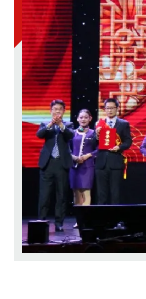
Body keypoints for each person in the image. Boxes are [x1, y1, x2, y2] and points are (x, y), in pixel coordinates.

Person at [37, 99, 74, 232]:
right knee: (44, 195)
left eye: (60, 109)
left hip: (61, 164)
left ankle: (59, 223)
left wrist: (60, 125)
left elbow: (70, 135)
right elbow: (39, 134)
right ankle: (41, 221)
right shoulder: (45, 124)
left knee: (61, 195)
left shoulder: (68, 124)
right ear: (51, 111)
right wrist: (51, 124)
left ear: (64, 111)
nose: (57, 111)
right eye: (55, 109)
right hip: (47, 163)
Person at [95, 98, 132, 205]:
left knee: (115, 194)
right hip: (101, 163)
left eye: (112, 108)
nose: (109, 110)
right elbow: (93, 142)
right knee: (101, 195)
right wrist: (96, 135)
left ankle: (115, 216)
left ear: (117, 109)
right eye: (107, 108)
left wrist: (119, 147)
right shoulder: (99, 124)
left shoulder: (123, 124)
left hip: (116, 162)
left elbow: (128, 141)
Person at [69, 109, 98, 220]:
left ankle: (86, 219)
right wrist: (73, 157)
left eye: (86, 117)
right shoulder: (72, 133)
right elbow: (67, 149)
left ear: (90, 119)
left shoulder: (94, 133)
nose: (83, 119)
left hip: (88, 166)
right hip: (74, 166)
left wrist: (87, 156)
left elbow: (99, 149)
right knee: (76, 193)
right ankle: (79, 219)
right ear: (77, 119)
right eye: (81, 117)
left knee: (86, 192)